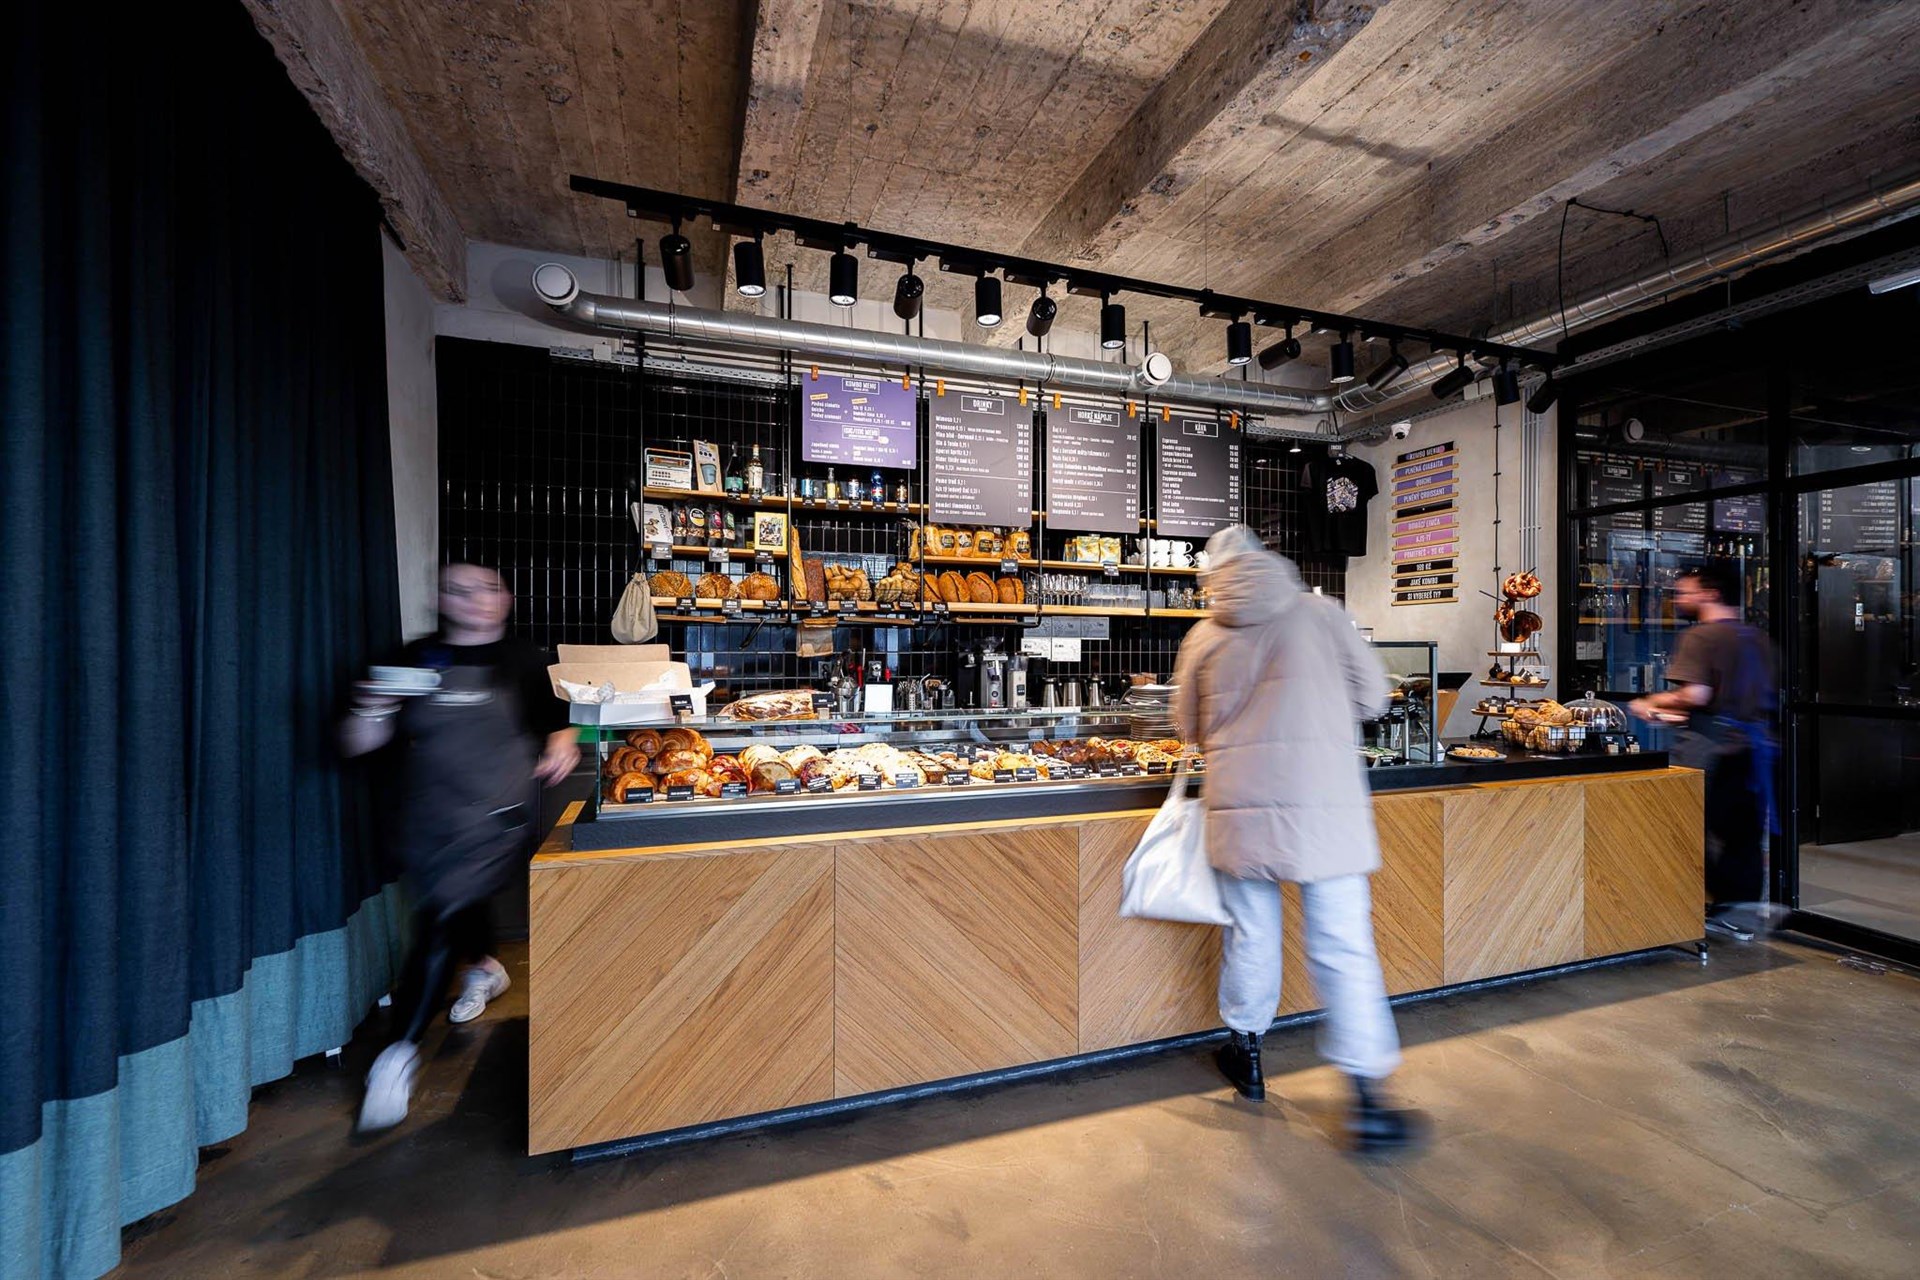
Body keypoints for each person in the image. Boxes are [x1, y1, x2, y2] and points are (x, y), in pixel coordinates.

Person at [1172, 525, 1423, 1153]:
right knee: (1344, 944)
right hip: (1324, 805)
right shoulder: (1322, 613)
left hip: (1242, 807)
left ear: (1212, 575)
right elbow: (1375, 698)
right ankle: (1367, 1096)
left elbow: (1187, 728)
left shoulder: (1203, 635)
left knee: (1251, 933)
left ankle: (1249, 1055)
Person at [340, 563, 579, 1130]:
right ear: (442, 599)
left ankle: (398, 1053)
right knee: (451, 902)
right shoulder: (413, 658)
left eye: (487, 589)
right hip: (427, 817)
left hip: (496, 815)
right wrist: (371, 707)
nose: (474, 600)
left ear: (506, 598)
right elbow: (358, 743)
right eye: (459, 590)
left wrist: (561, 744)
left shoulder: (524, 660)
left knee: (441, 914)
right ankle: (487, 967)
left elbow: (560, 719)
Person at [1629, 561, 1776, 942]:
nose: (1679, 599)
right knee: (1742, 836)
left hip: (1710, 752)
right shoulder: (1756, 637)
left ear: (1711, 593)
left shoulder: (1701, 636)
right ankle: (1739, 916)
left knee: (1686, 827)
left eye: (1685, 592)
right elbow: (1736, 699)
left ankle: (1686, 909)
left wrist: (1651, 702)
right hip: (1753, 749)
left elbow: (1696, 694)